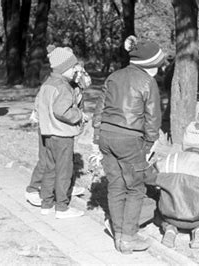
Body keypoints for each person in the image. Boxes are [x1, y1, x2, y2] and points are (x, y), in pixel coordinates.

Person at [93, 35, 165, 254]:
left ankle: (118, 233)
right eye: (158, 66)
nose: (159, 70)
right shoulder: (147, 81)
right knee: (135, 187)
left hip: (106, 135)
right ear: (150, 65)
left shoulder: (114, 76)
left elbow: (99, 109)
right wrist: (150, 143)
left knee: (115, 185)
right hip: (130, 138)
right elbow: (153, 117)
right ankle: (128, 238)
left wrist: (97, 139)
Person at [25, 59, 91, 207]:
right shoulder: (58, 84)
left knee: (64, 163)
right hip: (50, 127)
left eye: (80, 71)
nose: (78, 73)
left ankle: (63, 188)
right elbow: (50, 105)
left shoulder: (74, 84)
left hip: (60, 128)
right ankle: (33, 189)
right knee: (47, 161)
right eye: (76, 70)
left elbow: (77, 104)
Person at [153, 121, 199, 249]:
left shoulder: (168, 160)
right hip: (197, 218)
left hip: (170, 216)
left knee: (157, 206)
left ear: (184, 143)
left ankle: (169, 229)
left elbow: (153, 181)